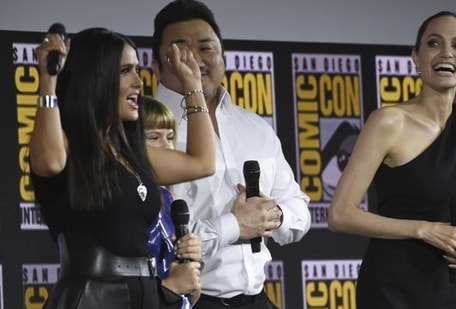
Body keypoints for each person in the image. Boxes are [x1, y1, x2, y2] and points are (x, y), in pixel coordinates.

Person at [30, 26, 215, 309]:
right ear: (96, 79)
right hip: (92, 299)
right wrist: (48, 79)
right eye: (125, 71)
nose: (139, 83)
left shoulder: (130, 154)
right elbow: (49, 162)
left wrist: (193, 86)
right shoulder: (68, 148)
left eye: (138, 70)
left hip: (145, 297)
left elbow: (202, 162)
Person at [151, 1, 312, 308]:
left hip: (257, 298)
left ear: (223, 56)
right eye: (180, 51)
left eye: (206, 48)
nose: (194, 60)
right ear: (157, 66)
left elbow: (300, 209)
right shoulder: (143, 133)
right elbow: (154, 242)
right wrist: (235, 225)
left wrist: (272, 216)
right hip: (185, 301)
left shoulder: (255, 127)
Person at [328, 11, 456, 309]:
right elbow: (340, 215)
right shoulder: (389, 122)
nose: (447, 53)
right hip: (391, 291)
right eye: (434, 43)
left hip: (450, 290)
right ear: (416, 56)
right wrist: (424, 229)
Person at [140, 95, 202, 308]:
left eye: (170, 137)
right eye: (154, 137)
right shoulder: (121, 202)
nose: (167, 146)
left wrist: (189, 264)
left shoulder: (167, 199)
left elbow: (191, 295)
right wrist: (170, 287)